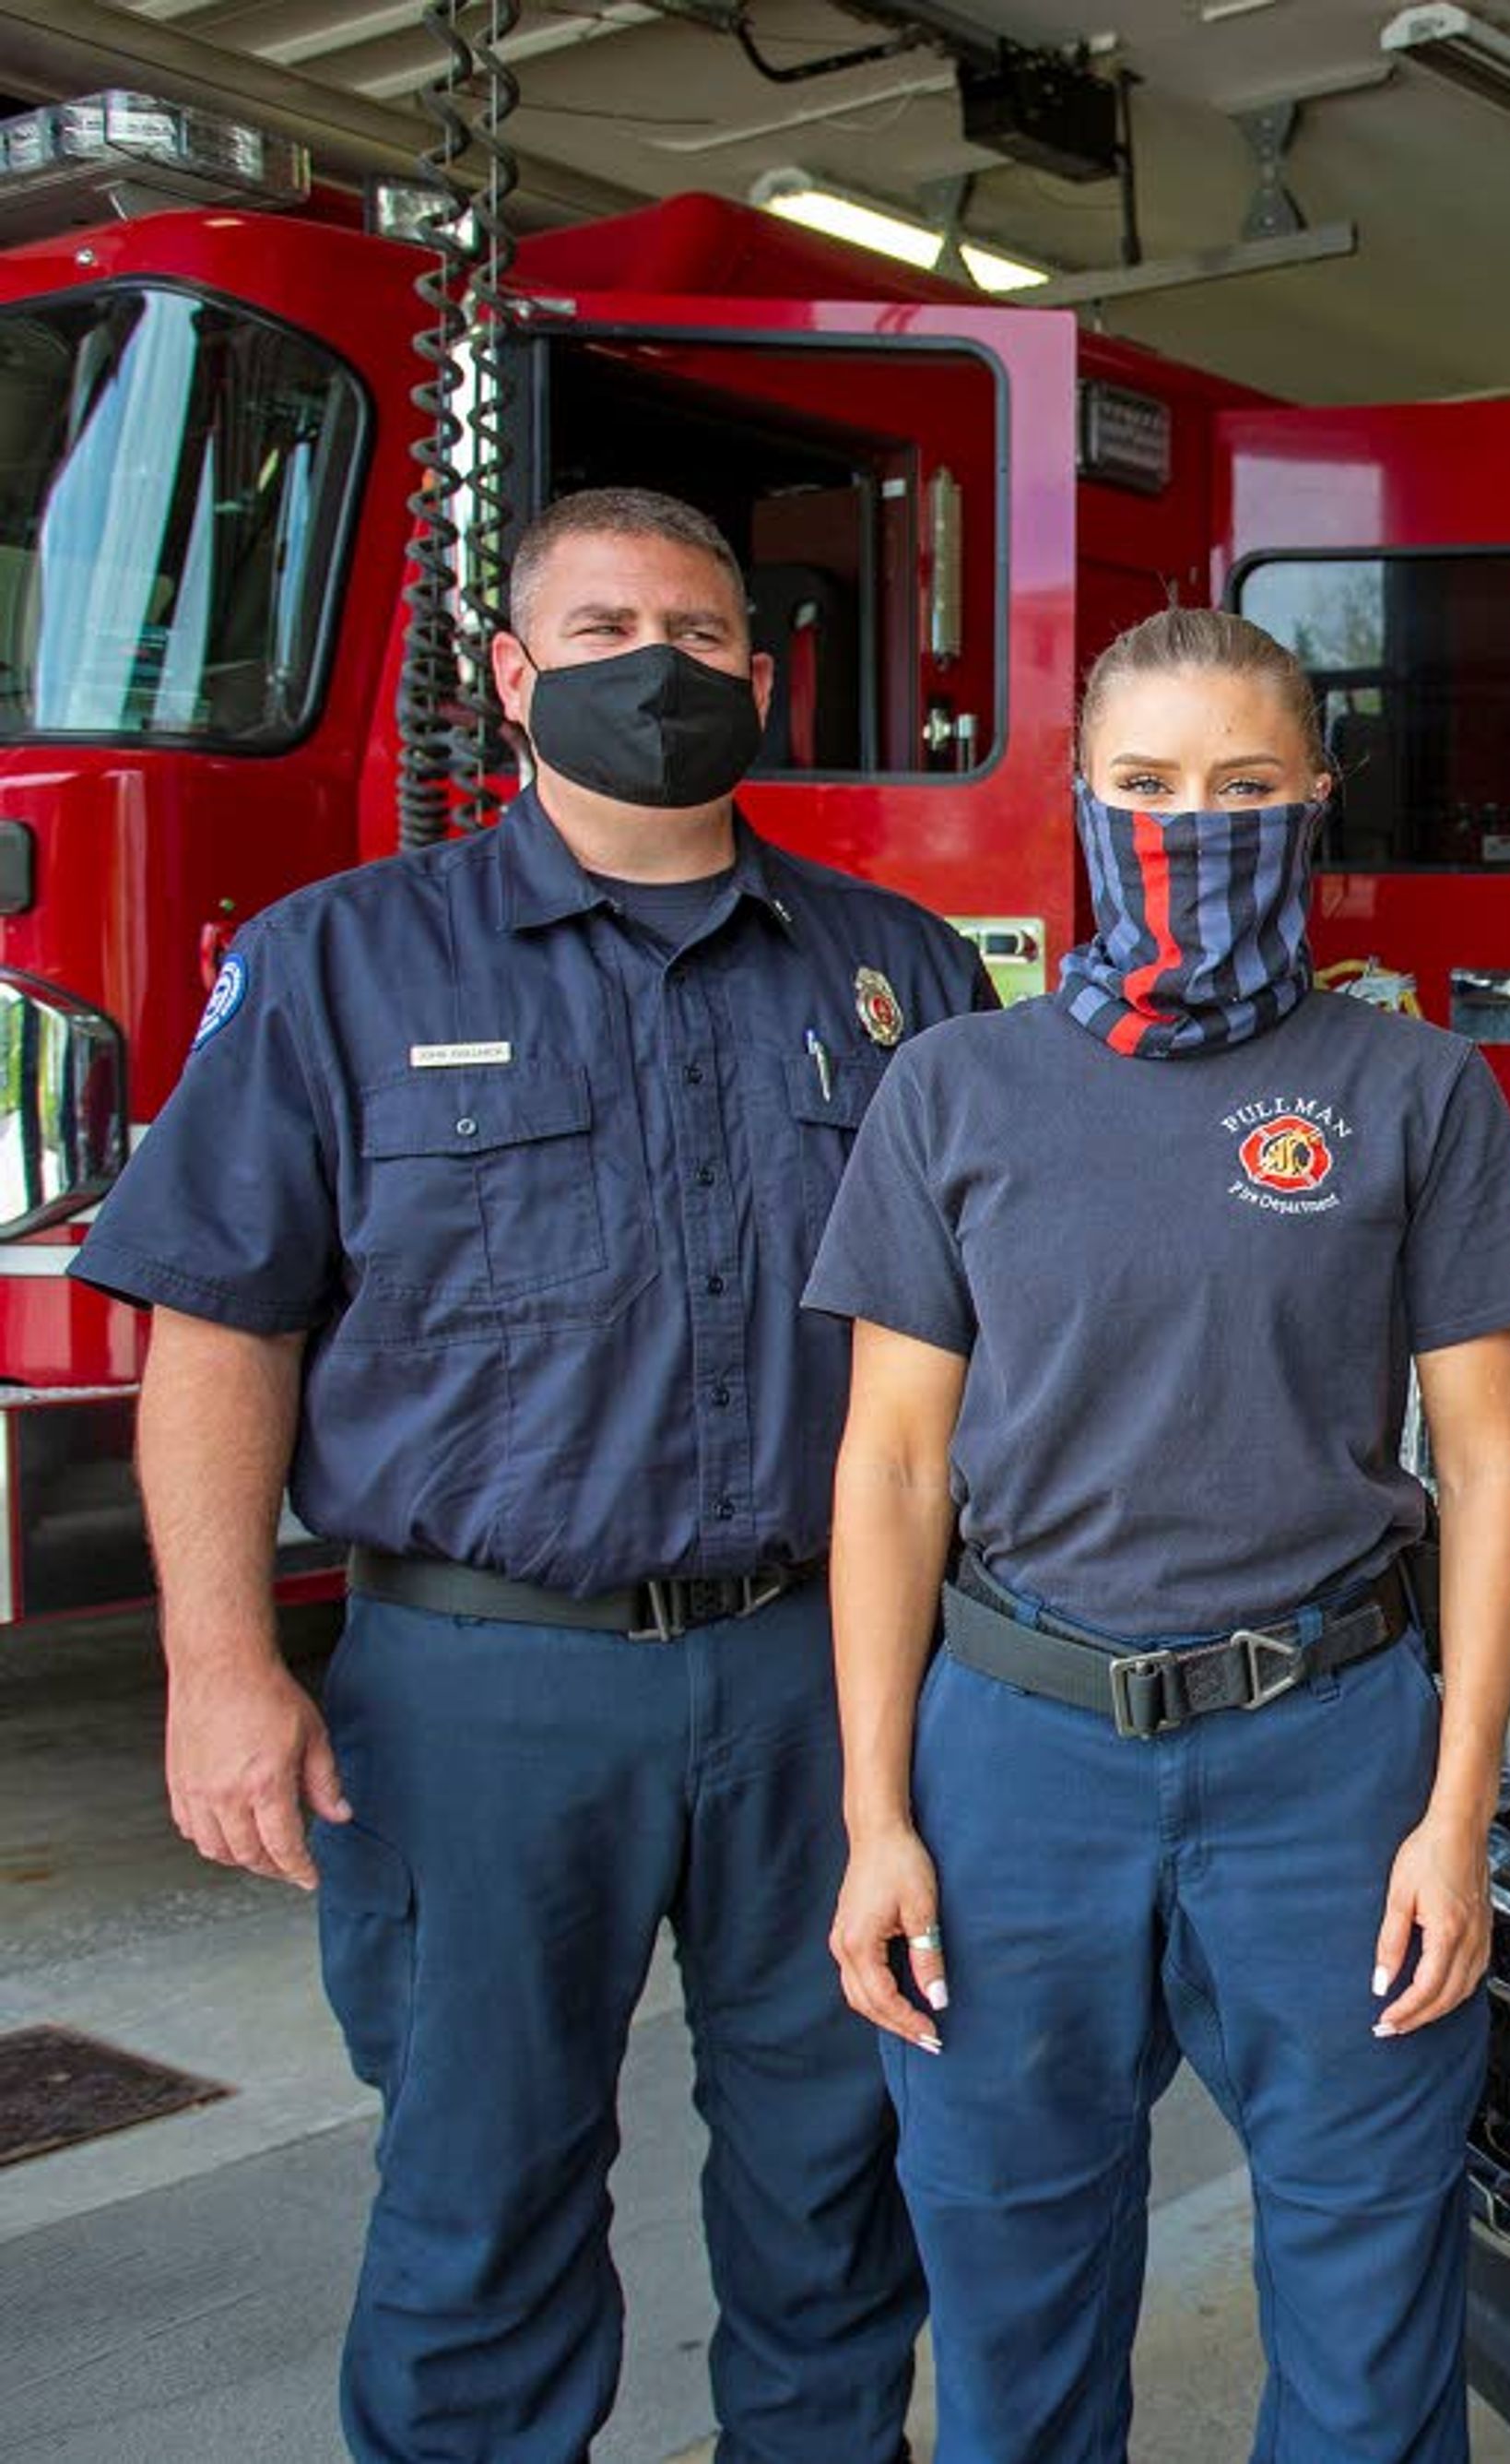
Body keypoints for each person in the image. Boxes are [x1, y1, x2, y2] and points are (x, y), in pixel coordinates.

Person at [77, 485, 985, 2463]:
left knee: (842, 2197)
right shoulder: (342, 967)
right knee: (479, 2206)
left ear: (762, 671)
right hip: (482, 1695)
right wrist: (221, 1666)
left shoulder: (900, 973)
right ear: (509, 677)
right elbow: (221, 1331)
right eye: (597, 631)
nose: (652, 665)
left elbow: (993, 1342)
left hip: (825, 1680)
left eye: (695, 627)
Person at [805, 606, 1510, 2464]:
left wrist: (1457, 1815)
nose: (1191, 823)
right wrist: (878, 1813)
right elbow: (894, 1467)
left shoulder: (1411, 1093)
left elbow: (1487, 1468)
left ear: (1313, 803)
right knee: (1012, 2295)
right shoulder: (957, 1092)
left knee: (1371, 2298)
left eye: (1241, 788)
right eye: (1145, 786)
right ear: (1079, 799)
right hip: (1018, 1753)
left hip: (1329, 1753)